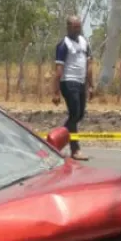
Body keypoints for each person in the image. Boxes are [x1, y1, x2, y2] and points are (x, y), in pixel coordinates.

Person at [52, 15, 94, 161]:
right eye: (75, 27)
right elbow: (58, 69)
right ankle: (75, 149)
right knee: (74, 114)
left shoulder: (84, 42)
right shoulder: (63, 44)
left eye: (79, 27)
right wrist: (56, 91)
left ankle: (53, 144)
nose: (78, 29)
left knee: (79, 115)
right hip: (68, 81)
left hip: (81, 82)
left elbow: (89, 65)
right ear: (68, 27)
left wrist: (90, 86)